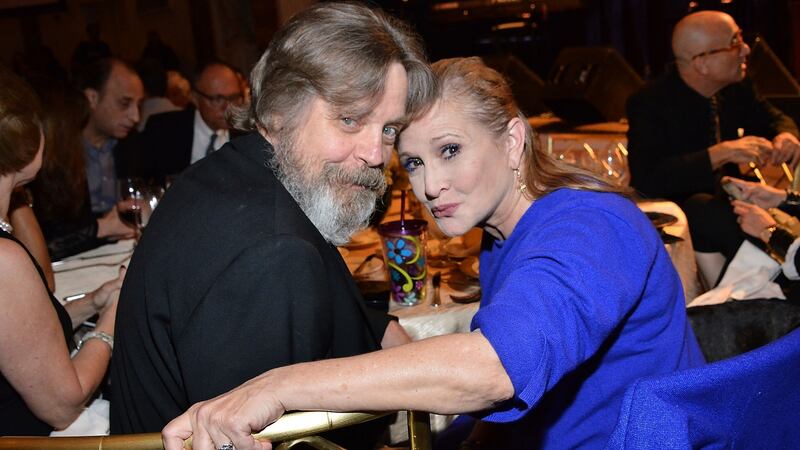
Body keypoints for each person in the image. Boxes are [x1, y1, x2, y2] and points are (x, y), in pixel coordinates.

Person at [162, 57, 704, 450]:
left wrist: (277, 386)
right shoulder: (505, 238)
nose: (430, 186)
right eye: (414, 163)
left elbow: (495, 368)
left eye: (450, 150)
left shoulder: (589, 226)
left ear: (514, 140)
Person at [110, 4, 435, 448]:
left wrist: (373, 324)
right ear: (281, 107)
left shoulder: (230, 175)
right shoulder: (271, 253)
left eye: (389, 129)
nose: (377, 155)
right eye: (350, 119)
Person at [0, 68, 124, 436]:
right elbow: (64, 404)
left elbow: (21, 339)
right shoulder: (4, 260)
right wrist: (112, 318)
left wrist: (93, 301)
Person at [626, 11, 800, 263]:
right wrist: (720, 154)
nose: (746, 50)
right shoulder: (649, 102)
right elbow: (648, 180)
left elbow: (773, 118)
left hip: (733, 204)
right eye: (735, 43)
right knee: (704, 209)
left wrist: (786, 135)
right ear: (702, 62)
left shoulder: (737, 87)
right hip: (684, 213)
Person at [26, 80, 135, 261]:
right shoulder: (29, 177)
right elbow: (40, 251)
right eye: (81, 125)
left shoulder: (64, 169)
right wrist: (103, 227)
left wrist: (105, 226)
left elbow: (72, 226)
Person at [135, 61, 243, 180]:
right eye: (217, 99)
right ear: (195, 98)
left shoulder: (248, 134)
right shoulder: (164, 130)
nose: (228, 107)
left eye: (233, 98)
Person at [76, 57, 145, 216]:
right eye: (124, 103)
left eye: (139, 105)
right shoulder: (60, 153)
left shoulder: (134, 146)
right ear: (92, 98)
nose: (135, 117)